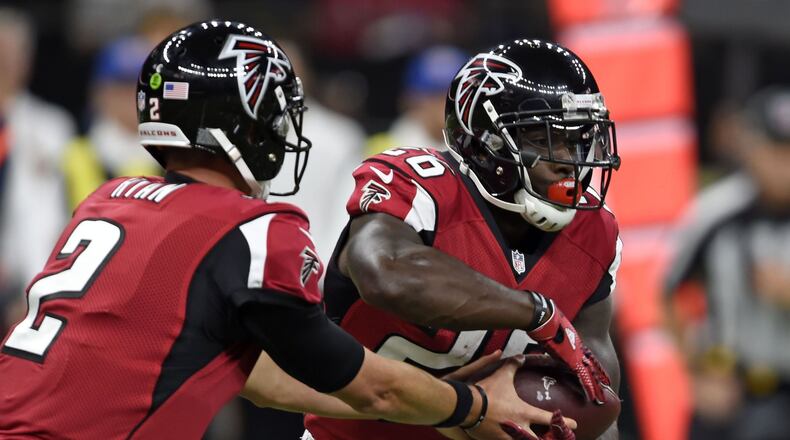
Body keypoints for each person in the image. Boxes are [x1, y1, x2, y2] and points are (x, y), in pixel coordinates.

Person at [0, 21, 561, 440]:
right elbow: (372, 386)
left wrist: (438, 400)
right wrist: (473, 407)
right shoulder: (250, 229)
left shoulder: (109, 199)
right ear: (244, 124)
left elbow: (264, 376)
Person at [304, 39, 623, 440]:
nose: (568, 161)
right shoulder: (421, 185)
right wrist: (535, 312)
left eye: (577, 139)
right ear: (485, 142)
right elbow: (385, 273)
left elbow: (597, 397)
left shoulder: (593, 230)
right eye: (544, 140)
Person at [664, 87, 790, 440]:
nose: (783, 165)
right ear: (751, 146)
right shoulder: (716, 212)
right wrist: (696, 371)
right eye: (774, 151)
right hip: (733, 393)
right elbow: (668, 292)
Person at [0, 7, 75, 333]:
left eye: (12, 53)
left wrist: (34, 292)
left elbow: (48, 214)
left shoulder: (53, 127)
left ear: (27, 61)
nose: (5, 62)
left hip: (22, 287)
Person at [64, 36, 160, 210]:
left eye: (143, 87)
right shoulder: (76, 155)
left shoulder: (175, 157)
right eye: (123, 85)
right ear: (100, 93)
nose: (134, 96)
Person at [366, 45, 467, 156]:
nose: (447, 103)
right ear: (412, 99)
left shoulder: (475, 150)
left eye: (458, 95)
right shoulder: (383, 151)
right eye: (436, 93)